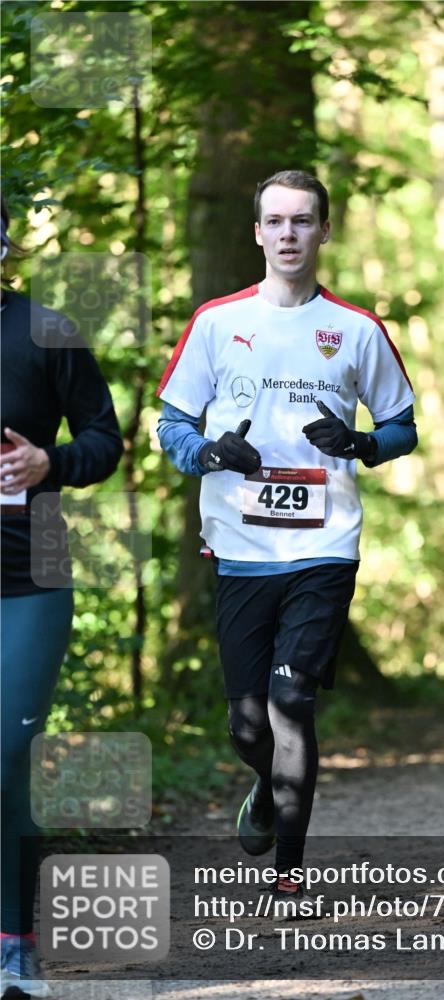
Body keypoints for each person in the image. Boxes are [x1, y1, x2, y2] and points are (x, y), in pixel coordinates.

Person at [157, 169, 417, 905]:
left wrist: (362, 443)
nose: (289, 235)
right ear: (256, 233)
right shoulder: (215, 321)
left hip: (324, 544)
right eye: (275, 222)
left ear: (324, 231)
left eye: (303, 221)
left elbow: (402, 427)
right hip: (240, 547)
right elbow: (170, 425)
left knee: (291, 699)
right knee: (248, 727)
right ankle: (264, 788)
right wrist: (210, 453)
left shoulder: (357, 330)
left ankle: (289, 871)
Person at [0, 195, 123, 997]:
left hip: (29, 581)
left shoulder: (47, 330)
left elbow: (105, 440)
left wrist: (51, 464)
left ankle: (12, 945)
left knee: (4, 752)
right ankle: (17, 928)